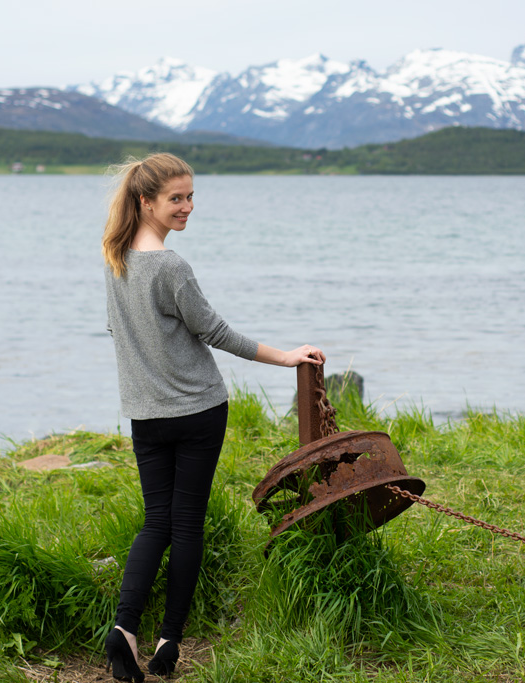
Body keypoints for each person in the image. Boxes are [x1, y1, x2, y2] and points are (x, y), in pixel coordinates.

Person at [100, 152, 325, 681]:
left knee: (156, 523)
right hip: (198, 411)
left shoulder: (115, 259)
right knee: (187, 525)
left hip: (145, 417)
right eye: (176, 198)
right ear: (145, 201)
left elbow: (119, 334)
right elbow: (215, 332)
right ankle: (168, 644)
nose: (187, 207)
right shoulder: (171, 266)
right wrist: (287, 356)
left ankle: (123, 630)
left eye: (191, 196)